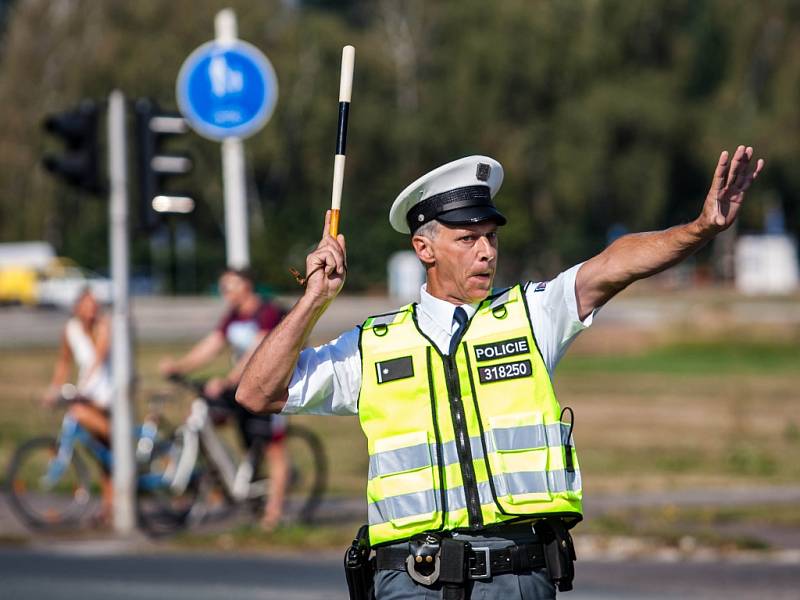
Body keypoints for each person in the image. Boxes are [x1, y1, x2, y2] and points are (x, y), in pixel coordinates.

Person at [237, 146, 763, 599]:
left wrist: (700, 229)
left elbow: (614, 263)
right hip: (410, 580)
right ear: (424, 248)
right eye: (467, 239)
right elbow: (257, 392)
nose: (486, 251)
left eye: (490, 236)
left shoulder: (532, 314)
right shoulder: (373, 345)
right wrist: (313, 300)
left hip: (517, 576)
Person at [159, 268, 289, 531]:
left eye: (230, 286)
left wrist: (228, 381)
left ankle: (273, 513)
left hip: (270, 389)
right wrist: (180, 366)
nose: (225, 293)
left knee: (274, 449)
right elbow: (212, 344)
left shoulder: (268, 312)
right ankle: (225, 483)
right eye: (223, 287)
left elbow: (258, 352)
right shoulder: (232, 316)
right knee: (203, 419)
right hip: (242, 388)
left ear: (247, 286)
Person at [44, 287, 114, 523]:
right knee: (104, 457)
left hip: (107, 396)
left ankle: (113, 502)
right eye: (87, 304)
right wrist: (56, 388)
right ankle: (109, 507)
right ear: (77, 307)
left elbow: (99, 357)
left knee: (111, 448)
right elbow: (63, 362)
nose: (92, 309)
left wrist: (80, 387)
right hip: (88, 396)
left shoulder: (104, 325)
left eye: (95, 304)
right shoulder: (71, 330)